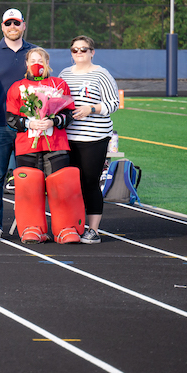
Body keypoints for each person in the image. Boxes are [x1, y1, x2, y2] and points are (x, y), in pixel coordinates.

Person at [6, 48, 84, 244]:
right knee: (29, 188)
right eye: (32, 60)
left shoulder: (59, 85)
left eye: (40, 59)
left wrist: (53, 121)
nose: (36, 63)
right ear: (26, 64)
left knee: (61, 187)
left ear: (47, 61)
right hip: (27, 145)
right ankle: (33, 227)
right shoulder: (17, 87)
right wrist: (29, 124)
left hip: (56, 143)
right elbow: (10, 117)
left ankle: (66, 227)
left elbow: (68, 114)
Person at [0, 8, 36, 240]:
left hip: (29, 127)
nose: (12, 27)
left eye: (17, 23)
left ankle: (30, 224)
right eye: (8, 23)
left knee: (29, 177)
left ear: (23, 26)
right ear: (2, 27)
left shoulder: (34, 53)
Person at [59, 35, 120, 244]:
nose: (79, 53)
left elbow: (113, 104)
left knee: (89, 182)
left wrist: (91, 109)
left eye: (83, 50)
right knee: (69, 184)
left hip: (94, 137)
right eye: (75, 50)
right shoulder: (64, 74)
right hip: (68, 138)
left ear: (92, 52)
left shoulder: (101, 74)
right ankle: (71, 226)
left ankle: (93, 230)